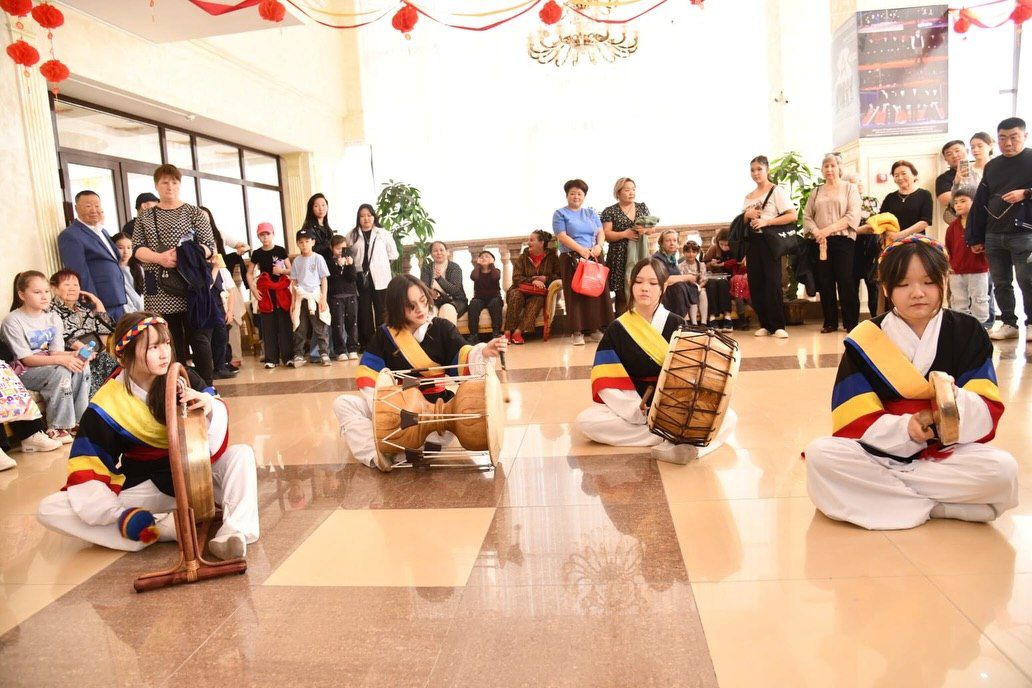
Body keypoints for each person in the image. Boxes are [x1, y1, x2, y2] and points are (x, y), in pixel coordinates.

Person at [805, 236, 1018, 530]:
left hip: (947, 453)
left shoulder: (967, 330)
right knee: (821, 456)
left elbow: (985, 408)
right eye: (904, 284)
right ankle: (941, 507)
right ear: (886, 288)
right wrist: (905, 429)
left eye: (928, 282)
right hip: (880, 452)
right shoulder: (866, 338)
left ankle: (890, 498)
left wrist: (948, 404)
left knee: (1002, 471)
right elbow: (853, 418)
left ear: (944, 281)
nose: (917, 293)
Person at [35, 312, 260, 558]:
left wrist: (208, 405)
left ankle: (234, 532)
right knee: (49, 509)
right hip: (148, 486)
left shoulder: (183, 377)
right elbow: (90, 465)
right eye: (153, 347)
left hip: (196, 475)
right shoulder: (108, 403)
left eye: (166, 344)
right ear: (124, 355)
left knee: (241, 455)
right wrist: (113, 513)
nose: (164, 353)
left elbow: (212, 438)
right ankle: (158, 528)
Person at [331, 274, 507, 471]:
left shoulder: (441, 328)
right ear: (397, 308)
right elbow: (368, 374)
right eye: (411, 305)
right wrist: (385, 412)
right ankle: (375, 455)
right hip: (395, 407)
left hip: (435, 413)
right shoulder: (385, 335)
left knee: (440, 435)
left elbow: (464, 358)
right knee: (343, 404)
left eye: (423, 300)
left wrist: (484, 352)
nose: (420, 309)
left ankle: (395, 446)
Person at [576, 257, 737, 464]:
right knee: (587, 421)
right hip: (638, 407)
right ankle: (673, 438)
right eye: (639, 282)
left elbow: (695, 373)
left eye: (653, 283)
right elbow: (606, 380)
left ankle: (689, 449)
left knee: (729, 417)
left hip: (675, 404)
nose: (645, 288)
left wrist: (681, 404)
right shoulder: (617, 328)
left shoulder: (677, 323)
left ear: (663, 287)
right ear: (631, 284)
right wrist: (634, 410)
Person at [132, 163, 217, 386]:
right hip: (158, 287)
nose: (170, 186)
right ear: (156, 186)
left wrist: (185, 255)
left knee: (199, 339)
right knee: (167, 340)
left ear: (180, 184)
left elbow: (210, 247)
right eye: (164, 182)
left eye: (174, 182)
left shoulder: (194, 212)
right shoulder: (145, 216)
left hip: (191, 286)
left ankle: (207, 387)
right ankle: (173, 387)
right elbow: (137, 249)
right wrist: (159, 258)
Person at [1, 272, 90, 444]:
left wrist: (75, 354)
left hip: (47, 365)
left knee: (81, 366)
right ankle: (57, 426)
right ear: (22, 295)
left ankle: (78, 422)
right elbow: (27, 359)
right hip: (23, 372)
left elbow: (55, 352)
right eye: (37, 292)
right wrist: (63, 360)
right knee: (61, 371)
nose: (44, 296)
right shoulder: (13, 321)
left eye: (47, 291)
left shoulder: (53, 318)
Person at [966, 117, 1032, 342]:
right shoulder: (992, 166)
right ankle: (1009, 323)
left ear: (1025, 136)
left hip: (1024, 232)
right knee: (1001, 283)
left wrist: (1026, 193)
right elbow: (980, 201)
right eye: (1003, 138)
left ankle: (1031, 323)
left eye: (1014, 137)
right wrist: (975, 236)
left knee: (1027, 280)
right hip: (993, 233)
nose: (1008, 143)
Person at [803, 153, 862, 333]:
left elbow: (852, 216)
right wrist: (816, 232)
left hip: (843, 241)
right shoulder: (816, 192)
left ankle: (851, 322)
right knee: (825, 281)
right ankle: (830, 322)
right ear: (822, 170)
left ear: (839, 168)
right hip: (820, 242)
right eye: (826, 166)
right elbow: (807, 216)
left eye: (832, 165)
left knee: (845, 281)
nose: (829, 169)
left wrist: (827, 230)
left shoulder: (849, 189)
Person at [554, 179, 613, 346]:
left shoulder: (590, 213)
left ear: (584, 196)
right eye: (572, 193)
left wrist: (599, 246)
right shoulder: (560, 214)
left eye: (579, 194)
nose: (576, 196)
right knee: (575, 295)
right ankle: (577, 332)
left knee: (595, 292)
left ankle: (595, 329)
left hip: (593, 256)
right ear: (567, 195)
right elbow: (561, 236)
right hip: (572, 258)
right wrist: (580, 250)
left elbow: (600, 232)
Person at [743, 155, 795, 338]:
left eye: (759, 169)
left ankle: (778, 325)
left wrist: (767, 222)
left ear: (767, 170)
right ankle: (765, 324)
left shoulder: (776, 191)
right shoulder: (748, 197)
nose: (756, 173)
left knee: (772, 282)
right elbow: (743, 223)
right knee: (756, 283)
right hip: (752, 243)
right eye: (752, 170)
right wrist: (746, 215)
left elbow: (792, 215)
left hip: (770, 241)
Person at [57, 190, 129, 320]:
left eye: (97, 206)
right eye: (88, 206)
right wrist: (92, 303)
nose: (94, 210)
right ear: (76, 208)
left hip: (117, 299)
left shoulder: (102, 231)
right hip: (100, 303)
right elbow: (79, 273)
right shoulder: (71, 235)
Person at [49, 269, 119, 397]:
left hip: (97, 356)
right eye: (67, 284)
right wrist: (84, 350)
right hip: (75, 357)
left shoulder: (83, 309)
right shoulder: (51, 311)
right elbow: (61, 337)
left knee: (119, 376)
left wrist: (97, 302)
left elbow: (106, 328)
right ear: (54, 288)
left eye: (76, 285)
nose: (72, 288)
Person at [348, 204, 398, 350]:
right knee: (364, 311)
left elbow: (393, 254)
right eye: (362, 216)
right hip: (360, 277)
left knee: (382, 309)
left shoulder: (383, 233)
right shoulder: (352, 235)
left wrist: (380, 265)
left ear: (374, 216)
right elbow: (347, 254)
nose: (366, 218)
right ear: (358, 218)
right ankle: (367, 344)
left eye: (369, 215)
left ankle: (385, 341)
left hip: (380, 276)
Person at [600, 178, 651, 316]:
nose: (631, 193)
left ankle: (641, 322)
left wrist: (645, 230)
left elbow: (651, 229)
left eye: (633, 189)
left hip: (639, 254)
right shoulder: (610, 211)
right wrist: (624, 234)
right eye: (627, 190)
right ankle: (622, 325)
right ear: (618, 192)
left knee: (640, 289)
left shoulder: (642, 207)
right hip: (618, 257)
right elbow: (606, 234)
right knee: (622, 294)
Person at [503, 229, 561, 345]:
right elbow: (516, 278)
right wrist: (533, 280)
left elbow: (559, 276)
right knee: (515, 295)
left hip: (538, 293)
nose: (528, 242)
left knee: (538, 300)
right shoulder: (522, 257)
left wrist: (545, 279)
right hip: (520, 289)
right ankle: (507, 332)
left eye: (531, 240)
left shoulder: (552, 258)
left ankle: (518, 332)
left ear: (541, 243)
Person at [248, 222, 292, 369]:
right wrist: (253, 289)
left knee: (284, 325)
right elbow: (249, 273)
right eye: (262, 234)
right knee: (268, 327)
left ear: (273, 234)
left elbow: (291, 269)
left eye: (267, 234)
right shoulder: (257, 253)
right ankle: (271, 359)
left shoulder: (280, 250)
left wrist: (282, 271)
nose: (265, 237)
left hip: (281, 292)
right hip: (265, 293)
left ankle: (288, 357)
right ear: (258, 237)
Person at [944, 188, 990, 324]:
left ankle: (981, 326)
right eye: (956, 202)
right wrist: (950, 266)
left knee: (979, 299)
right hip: (956, 271)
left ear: (974, 203)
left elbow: (989, 245)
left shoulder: (982, 224)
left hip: (978, 270)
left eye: (963, 201)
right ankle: (961, 327)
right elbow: (948, 248)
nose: (958, 205)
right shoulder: (952, 227)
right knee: (958, 300)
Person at [289, 228, 331, 367]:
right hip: (301, 298)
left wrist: (323, 298)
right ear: (297, 244)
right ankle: (298, 354)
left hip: (315, 296)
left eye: (307, 241)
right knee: (299, 327)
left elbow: (324, 279)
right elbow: (294, 282)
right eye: (301, 242)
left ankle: (324, 353)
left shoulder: (318, 258)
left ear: (313, 242)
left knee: (320, 326)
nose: (304, 244)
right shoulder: (297, 261)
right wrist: (293, 302)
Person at [867, 160, 933, 242]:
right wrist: (890, 235)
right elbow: (882, 220)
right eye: (896, 175)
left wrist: (899, 235)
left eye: (904, 173)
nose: (900, 178)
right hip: (892, 242)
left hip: (916, 242)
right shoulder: (890, 197)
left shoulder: (924, 194)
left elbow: (924, 222)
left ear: (914, 175)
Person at [327, 234, 359, 361]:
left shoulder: (349, 260)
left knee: (352, 323)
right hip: (336, 296)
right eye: (337, 248)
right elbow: (331, 278)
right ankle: (340, 350)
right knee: (337, 324)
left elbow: (353, 278)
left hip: (351, 295)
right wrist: (339, 266)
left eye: (343, 248)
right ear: (332, 248)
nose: (340, 251)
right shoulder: (329, 262)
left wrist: (350, 265)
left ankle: (353, 349)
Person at [419, 241, 468, 325]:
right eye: (435, 251)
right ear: (431, 254)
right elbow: (424, 287)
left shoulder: (455, 267)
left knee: (447, 309)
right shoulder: (427, 268)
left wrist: (439, 279)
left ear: (447, 252)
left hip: (455, 300)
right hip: (435, 301)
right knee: (430, 312)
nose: (439, 253)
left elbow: (454, 290)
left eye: (441, 250)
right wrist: (430, 292)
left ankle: (449, 334)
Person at [652, 229, 696, 319]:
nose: (672, 243)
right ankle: (683, 320)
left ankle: (693, 321)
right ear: (661, 243)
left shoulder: (670, 258)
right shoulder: (658, 259)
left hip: (673, 290)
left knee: (693, 287)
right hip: (662, 291)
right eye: (668, 240)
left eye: (674, 240)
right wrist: (687, 277)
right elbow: (665, 279)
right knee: (679, 287)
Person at [703, 230, 738, 332]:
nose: (724, 247)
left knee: (723, 284)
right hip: (713, 278)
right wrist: (711, 264)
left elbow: (739, 264)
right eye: (721, 244)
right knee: (712, 284)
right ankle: (712, 317)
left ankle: (727, 317)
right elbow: (703, 265)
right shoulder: (713, 249)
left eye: (726, 244)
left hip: (729, 279)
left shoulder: (736, 250)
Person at [467, 250, 503, 342]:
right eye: (482, 257)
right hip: (479, 299)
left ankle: (496, 332)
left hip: (494, 297)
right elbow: (474, 277)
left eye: (487, 256)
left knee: (495, 303)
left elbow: (496, 277)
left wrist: (491, 264)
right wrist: (478, 265)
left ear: (492, 260)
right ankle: (473, 334)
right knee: (473, 304)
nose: (484, 258)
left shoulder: (496, 271)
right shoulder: (477, 272)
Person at [935, 139, 967, 223]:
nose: (954, 155)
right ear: (945, 159)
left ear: (967, 151)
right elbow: (947, 200)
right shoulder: (943, 179)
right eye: (949, 154)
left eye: (957, 151)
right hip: (961, 221)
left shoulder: (980, 170)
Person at [112, 232, 145, 313]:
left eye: (129, 247)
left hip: (141, 311)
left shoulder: (138, 268)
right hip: (124, 312)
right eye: (120, 248)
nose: (126, 251)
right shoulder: (112, 270)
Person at [678, 240, 707, 325]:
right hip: (686, 288)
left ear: (697, 253)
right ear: (684, 253)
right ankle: (694, 323)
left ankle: (704, 322)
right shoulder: (681, 266)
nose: (691, 254)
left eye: (693, 252)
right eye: (688, 252)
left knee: (703, 293)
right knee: (692, 294)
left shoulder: (701, 265)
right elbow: (681, 279)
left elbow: (704, 279)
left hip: (698, 286)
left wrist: (699, 287)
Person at [301, 193, 334, 263]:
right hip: (316, 264)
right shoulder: (308, 228)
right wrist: (329, 244)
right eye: (316, 206)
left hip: (328, 263)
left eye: (323, 205)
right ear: (311, 209)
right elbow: (308, 249)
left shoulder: (326, 226)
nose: (321, 208)